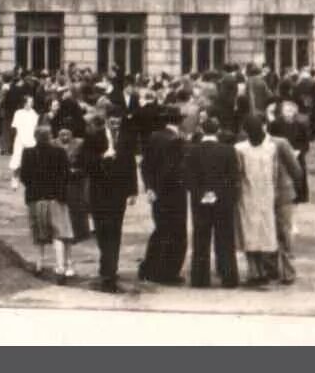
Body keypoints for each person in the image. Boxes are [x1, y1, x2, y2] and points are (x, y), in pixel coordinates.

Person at [183, 118, 240, 289]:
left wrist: (202, 193)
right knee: (225, 239)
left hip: (200, 202)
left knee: (200, 239)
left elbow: (187, 177)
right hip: (223, 201)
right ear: (218, 131)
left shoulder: (192, 151)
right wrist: (218, 193)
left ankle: (200, 279)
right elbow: (233, 177)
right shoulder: (228, 151)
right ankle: (228, 277)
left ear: (201, 129)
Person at [82, 114, 136, 293]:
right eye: (112, 120)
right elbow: (85, 163)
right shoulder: (93, 137)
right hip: (99, 192)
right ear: (106, 120)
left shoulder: (127, 139)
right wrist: (103, 157)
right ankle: (107, 265)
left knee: (114, 230)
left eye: (117, 120)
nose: (115, 123)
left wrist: (133, 191)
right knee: (102, 230)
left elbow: (131, 165)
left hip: (118, 193)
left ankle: (109, 271)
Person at [19, 126, 75, 282]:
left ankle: (39, 264)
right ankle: (60, 268)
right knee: (59, 233)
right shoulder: (59, 153)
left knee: (38, 233)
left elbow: (24, 177)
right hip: (55, 198)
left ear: (35, 137)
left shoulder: (28, 153)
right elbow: (66, 176)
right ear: (50, 136)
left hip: (35, 198)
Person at [138, 119, 188, 285]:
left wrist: (150, 187)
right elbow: (176, 169)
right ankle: (168, 272)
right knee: (177, 232)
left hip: (158, 193)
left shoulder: (154, 137)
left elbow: (145, 165)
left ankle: (149, 269)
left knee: (160, 229)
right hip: (174, 193)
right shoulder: (178, 141)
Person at [233, 114, 280, 286]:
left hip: (247, 195)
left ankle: (253, 271)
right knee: (263, 232)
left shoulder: (239, 149)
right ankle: (262, 270)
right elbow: (275, 174)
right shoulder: (271, 148)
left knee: (249, 232)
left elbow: (238, 174)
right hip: (266, 194)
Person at [267, 117, 304, 285]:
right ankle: (288, 272)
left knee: (270, 231)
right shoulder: (281, 143)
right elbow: (296, 169)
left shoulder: (257, 142)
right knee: (285, 232)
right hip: (284, 192)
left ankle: (271, 269)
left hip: (266, 193)